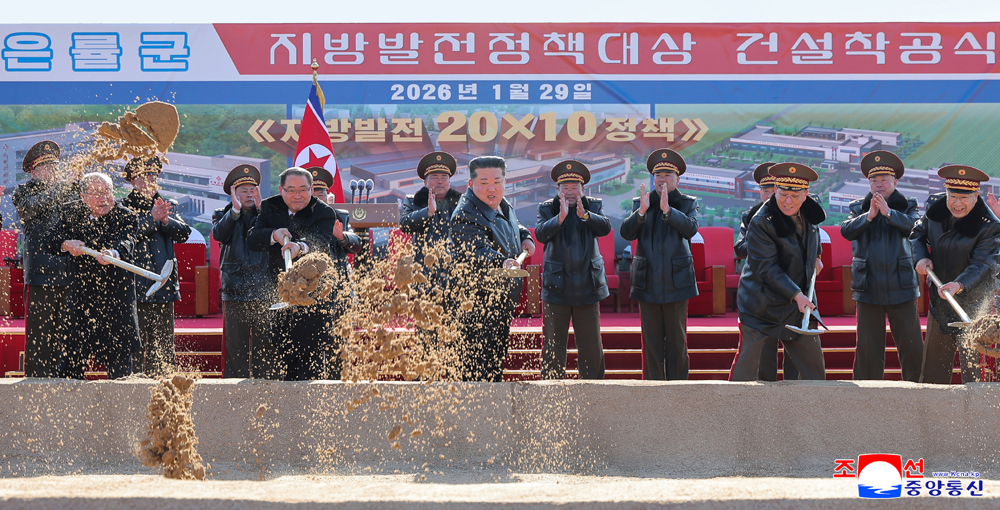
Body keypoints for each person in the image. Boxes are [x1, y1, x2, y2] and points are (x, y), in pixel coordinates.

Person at [729, 163, 827, 381]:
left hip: (798, 303)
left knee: (814, 373)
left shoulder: (811, 212)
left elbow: (812, 238)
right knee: (747, 371)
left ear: (805, 195)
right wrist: (797, 295)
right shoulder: (761, 221)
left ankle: (814, 413)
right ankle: (732, 411)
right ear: (775, 190)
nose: (788, 201)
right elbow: (766, 267)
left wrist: (817, 256)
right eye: (782, 194)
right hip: (762, 304)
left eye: (795, 195)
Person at [248, 167, 339, 381]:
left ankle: (312, 401)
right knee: (282, 350)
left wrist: (300, 247)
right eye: (291, 190)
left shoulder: (324, 212)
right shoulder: (270, 207)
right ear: (281, 190)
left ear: (311, 189)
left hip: (312, 295)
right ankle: (287, 406)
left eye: (303, 190)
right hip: (281, 294)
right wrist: (273, 234)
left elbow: (320, 240)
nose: (297, 195)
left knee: (311, 355)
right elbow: (252, 238)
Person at [911, 165, 1000, 384]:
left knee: (974, 371)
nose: (957, 204)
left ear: (976, 196)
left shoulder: (989, 226)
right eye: (952, 196)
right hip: (940, 302)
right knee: (933, 371)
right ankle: (931, 415)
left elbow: (982, 264)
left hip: (972, 306)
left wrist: (959, 285)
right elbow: (918, 233)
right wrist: (920, 258)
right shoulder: (936, 208)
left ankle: (977, 415)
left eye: (964, 198)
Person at [840, 151, 923, 382]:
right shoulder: (858, 207)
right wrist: (869, 216)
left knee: (912, 344)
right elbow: (846, 231)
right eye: (873, 181)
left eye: (884, 180)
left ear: (895, 182)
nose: (879, 185)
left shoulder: (908, 205)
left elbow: (916, 228)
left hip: (901, 284)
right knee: (867, 348)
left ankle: (919, 391)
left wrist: (888, 213)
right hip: (868, 286)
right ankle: (868, 394)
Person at [451, 155, 535, 382]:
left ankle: (491, 409)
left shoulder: (501, 202)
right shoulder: (465, 214)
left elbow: (512, 222)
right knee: (477, 364)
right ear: (471, 184)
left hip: (501, 298)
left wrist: (524, 236)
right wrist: (503, 262)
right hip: (477, 301)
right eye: (484, 182)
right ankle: (475, 412)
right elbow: (477, 250)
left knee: (495, 359)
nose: (492, 188)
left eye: (497, 181)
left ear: (505, 181)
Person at [620, 149, 699, 380]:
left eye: (667, 175)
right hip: (648, 281)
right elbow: (626, 232)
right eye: (657, 175)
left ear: (677, 179)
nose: (661, 180)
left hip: (677, 280)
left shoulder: (687, 203)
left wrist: (668, 210)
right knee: (651, 341)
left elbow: (690, 229)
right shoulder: (642, 202)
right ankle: (653, 390)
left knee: (676, 340)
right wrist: (642, 212)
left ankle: (678, 388)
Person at [55, 173, 140, 380]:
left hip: (116, 299)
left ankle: (122, 408)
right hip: (81, 298)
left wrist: (113, 253)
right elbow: (50, 238)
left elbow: (128, 242)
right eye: (96, 193)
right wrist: (66, 244)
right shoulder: (70, 212)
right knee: (71, 364)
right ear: (83, 197)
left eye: (107, 192)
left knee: (120, 369)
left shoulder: (126, 215)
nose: (104, 198)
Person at [535, 160, 611, 379]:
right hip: (556, 286)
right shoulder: (547, 207)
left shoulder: (593, 205)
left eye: (574, 188)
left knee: (591, 344)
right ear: (558, 190)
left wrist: (585, 216)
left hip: (588, 285)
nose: (569, 192)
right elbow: (540, 234)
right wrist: (559, 218)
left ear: (583, 189)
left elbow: (604, 227)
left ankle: (593, 390)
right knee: (553, 344)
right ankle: (551, 391)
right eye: (565, 188)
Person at [122, 156, 192, 376]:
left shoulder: (166, 204)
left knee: (162, 350)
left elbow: (184, 232)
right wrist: (152, 220)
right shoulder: (122, 207)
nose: (149, 181)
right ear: (133, 181)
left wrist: (164, 221)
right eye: (143, 177)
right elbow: (123, 238)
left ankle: (162, 395)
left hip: (163, 287)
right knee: (134, 347)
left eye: (153, 176)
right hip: (134, 289)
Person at [12, 141, 74, 377]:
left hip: (67, 272)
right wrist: (61, 189)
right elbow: (31, 209)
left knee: (64, 330)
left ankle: (63, 377)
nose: (52, 171)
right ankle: (37, 381)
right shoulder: (23, 192)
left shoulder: (67, 190)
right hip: (41, 273)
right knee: (40, 332)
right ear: (34, 171)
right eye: (46, 167)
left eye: (54, 166)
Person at [734, 162, 799, 381]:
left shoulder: (796, 214)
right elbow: (740, 249)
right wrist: (761, 238)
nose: (769, 195)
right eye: (765, 191)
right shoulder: (752, 217)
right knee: (764, 355)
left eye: (774, 191)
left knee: (795, 352)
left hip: (791, 290)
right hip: (762, 293)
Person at [212, 164, 271, 379]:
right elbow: (220, 235)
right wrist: (235, 211)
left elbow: (271, 235)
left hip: (264, 288)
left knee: (265, 344)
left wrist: (261, 211)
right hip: (235, 289)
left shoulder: (267, 215)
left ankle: (266, 388)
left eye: (252, 190)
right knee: (235, 345)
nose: (248, 195)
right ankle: (234, 394)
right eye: (243, 191)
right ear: (234, 194)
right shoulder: (223, 215)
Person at [308, 166, 363, 379]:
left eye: (321, 194)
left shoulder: (339, 216)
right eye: (313, 193)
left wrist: (341, 237)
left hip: (337, 291)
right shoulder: (295, 218)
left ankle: (338, 386)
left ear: (329, 197)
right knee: (311, 347)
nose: (317, 198)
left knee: (338, 347)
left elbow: (356, 244)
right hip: (310, 292)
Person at [400, 151, 463, 268]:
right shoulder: (414, 200)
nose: (440, 181)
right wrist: (428, 212)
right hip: (423, 267)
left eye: (444, 177)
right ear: (425, 182)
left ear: (449, 182)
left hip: (453, 267)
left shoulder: (460, 202)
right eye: (435, 177)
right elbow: (405, 225)